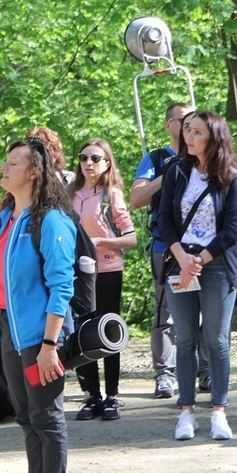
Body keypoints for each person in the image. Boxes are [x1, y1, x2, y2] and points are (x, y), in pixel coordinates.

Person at [0, 138, 75, 473]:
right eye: (4, 162)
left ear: (34, 172)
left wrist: (49, 345)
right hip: (10, 331)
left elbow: (62, 285)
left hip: (41, 336)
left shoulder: (51, 219)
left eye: (13, 163)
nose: (4, 169)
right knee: (25, 415)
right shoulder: (7, 217)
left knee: (45, 415)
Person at [157, 110, 237, 441]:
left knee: (217, 340)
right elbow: (163, 218)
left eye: (196, 132)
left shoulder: (231, 176)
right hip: (180, 261)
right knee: (184, 339)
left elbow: (234, 227)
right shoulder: (176, 171)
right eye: (187, 130)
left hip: (219, 263)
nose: (189, 137)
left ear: (214, 137)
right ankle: (186, 413)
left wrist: (201, 260)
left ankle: (219, 411)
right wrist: (182, 256)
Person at [130, 102, 211, 399]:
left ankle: (207, 372)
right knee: (166, 310)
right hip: (167, 248)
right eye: (183, 121)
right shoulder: (156, 159)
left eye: (194, 120)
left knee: (206, 309)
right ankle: (164, 375)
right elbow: (137, 198)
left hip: (203, 251)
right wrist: (172, 173)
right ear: (169, 125)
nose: (189, 126)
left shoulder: (209, 159)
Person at [68, 139, 137, 421]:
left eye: (95, 158)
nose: (88, 163)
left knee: (107, 331)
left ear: (107, 163)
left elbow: (131, 239)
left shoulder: (111, 195)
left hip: (108, 270)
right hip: (77, 273)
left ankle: (112, 396)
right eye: (84, 157)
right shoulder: (68, 194)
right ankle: (90, 396)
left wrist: (99, 241)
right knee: (82, 332)